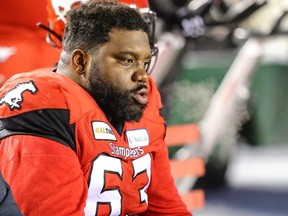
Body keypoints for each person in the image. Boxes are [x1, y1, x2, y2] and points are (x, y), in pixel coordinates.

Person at [0, 1, 192, 215]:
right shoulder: (46, 99)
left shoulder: (138, 92)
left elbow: (165, 206)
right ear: (81, 59)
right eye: (127, 59)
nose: (142, 75)